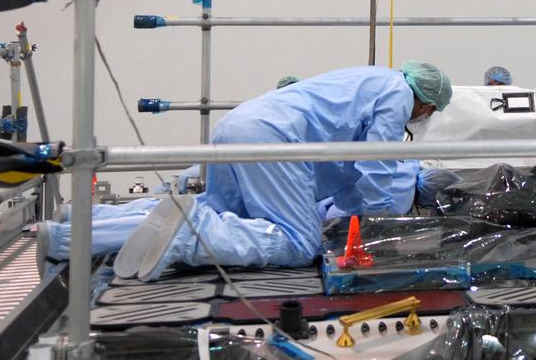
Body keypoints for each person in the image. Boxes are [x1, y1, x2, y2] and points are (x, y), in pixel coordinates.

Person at [36, 62, 452, 281]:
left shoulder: (367, 82)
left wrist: (354, 223)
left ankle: (72, 229)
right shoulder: (397, 93)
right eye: (429, 113)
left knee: (219, 218)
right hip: (273, 140)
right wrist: (383, 227)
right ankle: (188, 233)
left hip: (240, 126)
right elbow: (377, 166)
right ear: (426, 103)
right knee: (296, 243)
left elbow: (348, 187)